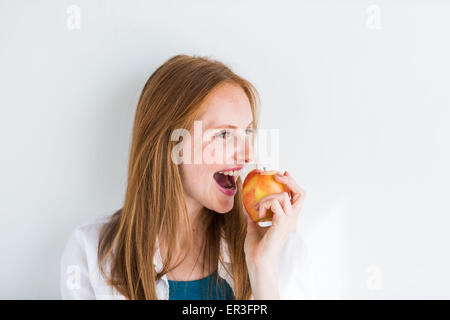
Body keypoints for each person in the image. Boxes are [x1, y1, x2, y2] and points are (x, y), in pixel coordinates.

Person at [60, 54, 312, 300]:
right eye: (224, 135)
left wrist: (261, 269)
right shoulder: (91, 253)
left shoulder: (278, 249)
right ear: (171, 145)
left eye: (247, 132)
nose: (248, 155)